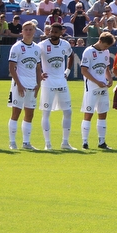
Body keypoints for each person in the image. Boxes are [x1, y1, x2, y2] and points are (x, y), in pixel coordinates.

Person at [39, 23, 76, 151]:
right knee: (46, 113)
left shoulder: (65, 44)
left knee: (68, 112)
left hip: (61, 81)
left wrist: (67, 71)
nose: (53, 34)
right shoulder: (42, 45)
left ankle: (65, 142)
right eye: (51, 32)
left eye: (56, 32)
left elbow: (71, 55)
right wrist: (39, 73)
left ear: (61, 33)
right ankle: (47, 143)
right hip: (48, 82)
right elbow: (35, 59)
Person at [7, 21, 43, 150]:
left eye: (30, 29)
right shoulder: (16, 47)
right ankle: (12, 142)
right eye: (26, 29)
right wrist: (19, 84)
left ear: (34, 31)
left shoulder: (37, 48)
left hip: (32, 85)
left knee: (30, 113)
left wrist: (38, 85)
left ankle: (26, 142)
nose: (28, 32)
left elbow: (38, 68)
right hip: (19, 85)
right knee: (16, 112)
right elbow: (11, 68)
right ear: (22, 31)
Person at [80, 31, 115, 149]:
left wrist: (109, 79)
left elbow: (106, 68)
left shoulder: (106, 52)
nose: (106, 48)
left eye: (108, 47)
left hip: (103, 87)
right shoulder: (88, 51)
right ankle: (85, 142)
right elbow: (84, 71)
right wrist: (97, 82)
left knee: (103, 113)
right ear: (100, 41)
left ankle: (102, 142)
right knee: (88, 113)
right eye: (105, 46)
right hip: (91, 87)